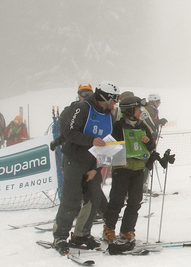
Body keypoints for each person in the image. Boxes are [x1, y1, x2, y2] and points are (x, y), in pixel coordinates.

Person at [51, 81, 119, 255]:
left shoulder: (109, 115)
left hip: (92, 162)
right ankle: (60, 236)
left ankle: (81, 234)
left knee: (94, 198)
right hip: (74, 158)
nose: (114, 104)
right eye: (113, 99)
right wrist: (90, 140)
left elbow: (107, 144)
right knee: (71, 199)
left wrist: (96, 168)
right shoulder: (82, 108)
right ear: (104, 96)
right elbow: (69, 133)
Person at [103, 95, 157, 253]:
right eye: (138, 109)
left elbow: (151, 144)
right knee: (117, 201)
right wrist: (119, 160)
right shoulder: (118, 126)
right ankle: (109, 229)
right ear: (129, 110)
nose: (140, 111)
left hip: (138, 169)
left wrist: (149, 142)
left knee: (135, 201)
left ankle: (127, 230)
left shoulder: (142, 125)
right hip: (122, 169)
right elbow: (112, 146)